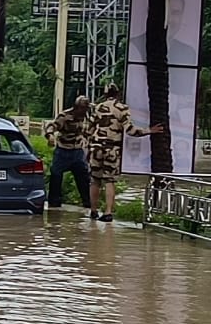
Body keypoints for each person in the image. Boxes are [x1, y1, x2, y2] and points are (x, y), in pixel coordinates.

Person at [88, 83, 164, 222]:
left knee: (95, 180)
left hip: (96, 148)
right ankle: (108, 212)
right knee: (109, 180)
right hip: (112, 149)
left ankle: (93, 211)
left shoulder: (97, 107)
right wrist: (149, 131)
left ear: (105, 95)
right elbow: (131, 130)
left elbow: (89, 129)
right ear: (118, 94)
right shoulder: (122, 108)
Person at [45, 95, 93, 209]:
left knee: (84, 177)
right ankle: (54, 203)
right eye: (83, 108)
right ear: (77, 107)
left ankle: (88, 203)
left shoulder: (87, 117)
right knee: (56, 175)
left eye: (86, 108)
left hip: (77, 151)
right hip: (63, 150)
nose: (84, 111)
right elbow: (52, 126)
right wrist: (50, 136)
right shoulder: (65, 116)